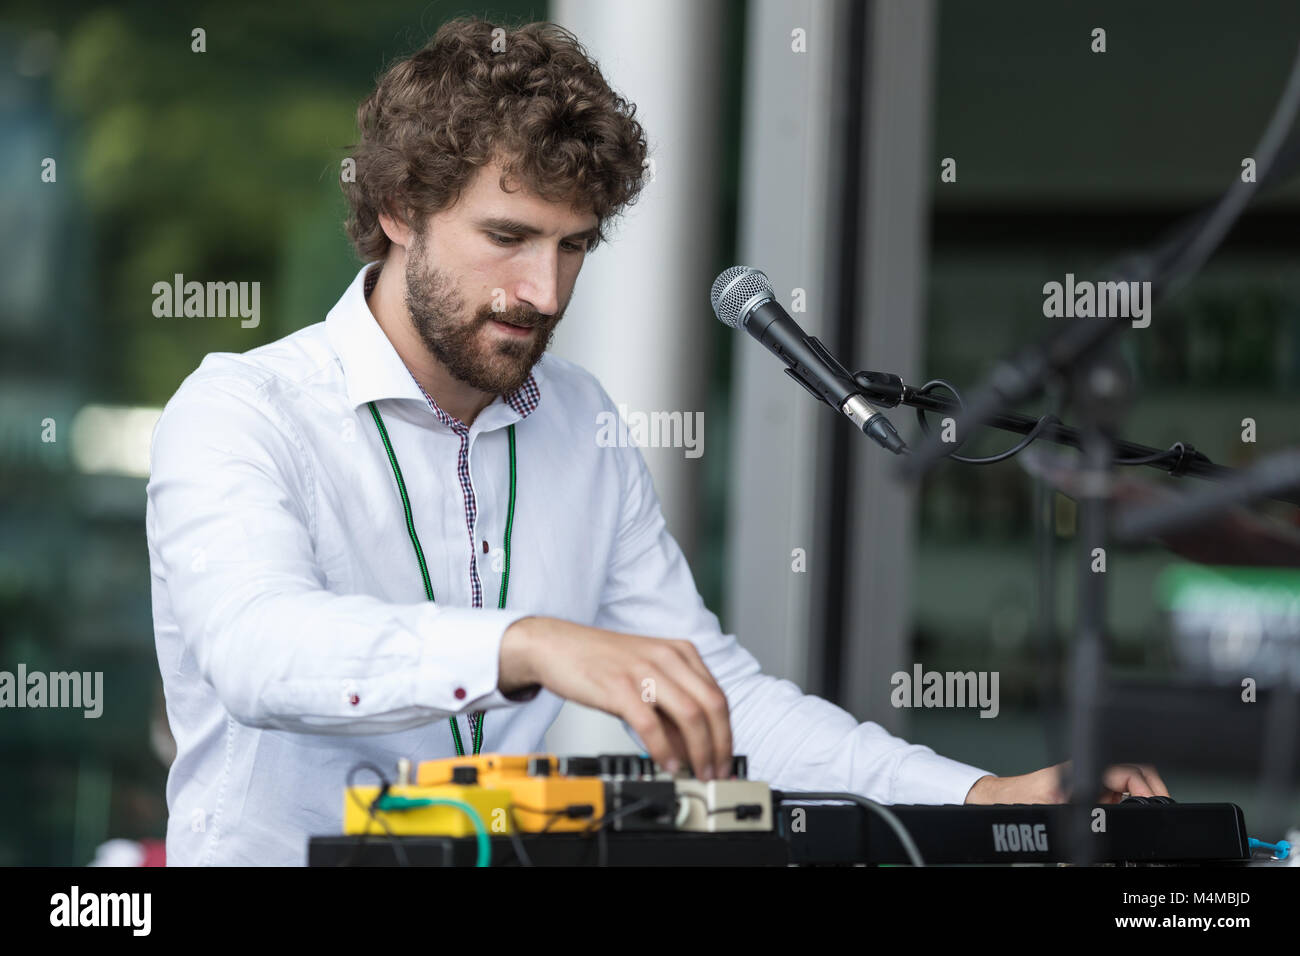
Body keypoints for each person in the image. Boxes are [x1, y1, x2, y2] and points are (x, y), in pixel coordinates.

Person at [145, 16, 1168, 866]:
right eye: (508, 237)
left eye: (574, 246)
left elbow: (713, 698)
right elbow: (258, 650)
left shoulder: (578, 417)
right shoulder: (241, 408)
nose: (543, 293)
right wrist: (533, 640)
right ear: (399, 207)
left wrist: (979, 793)